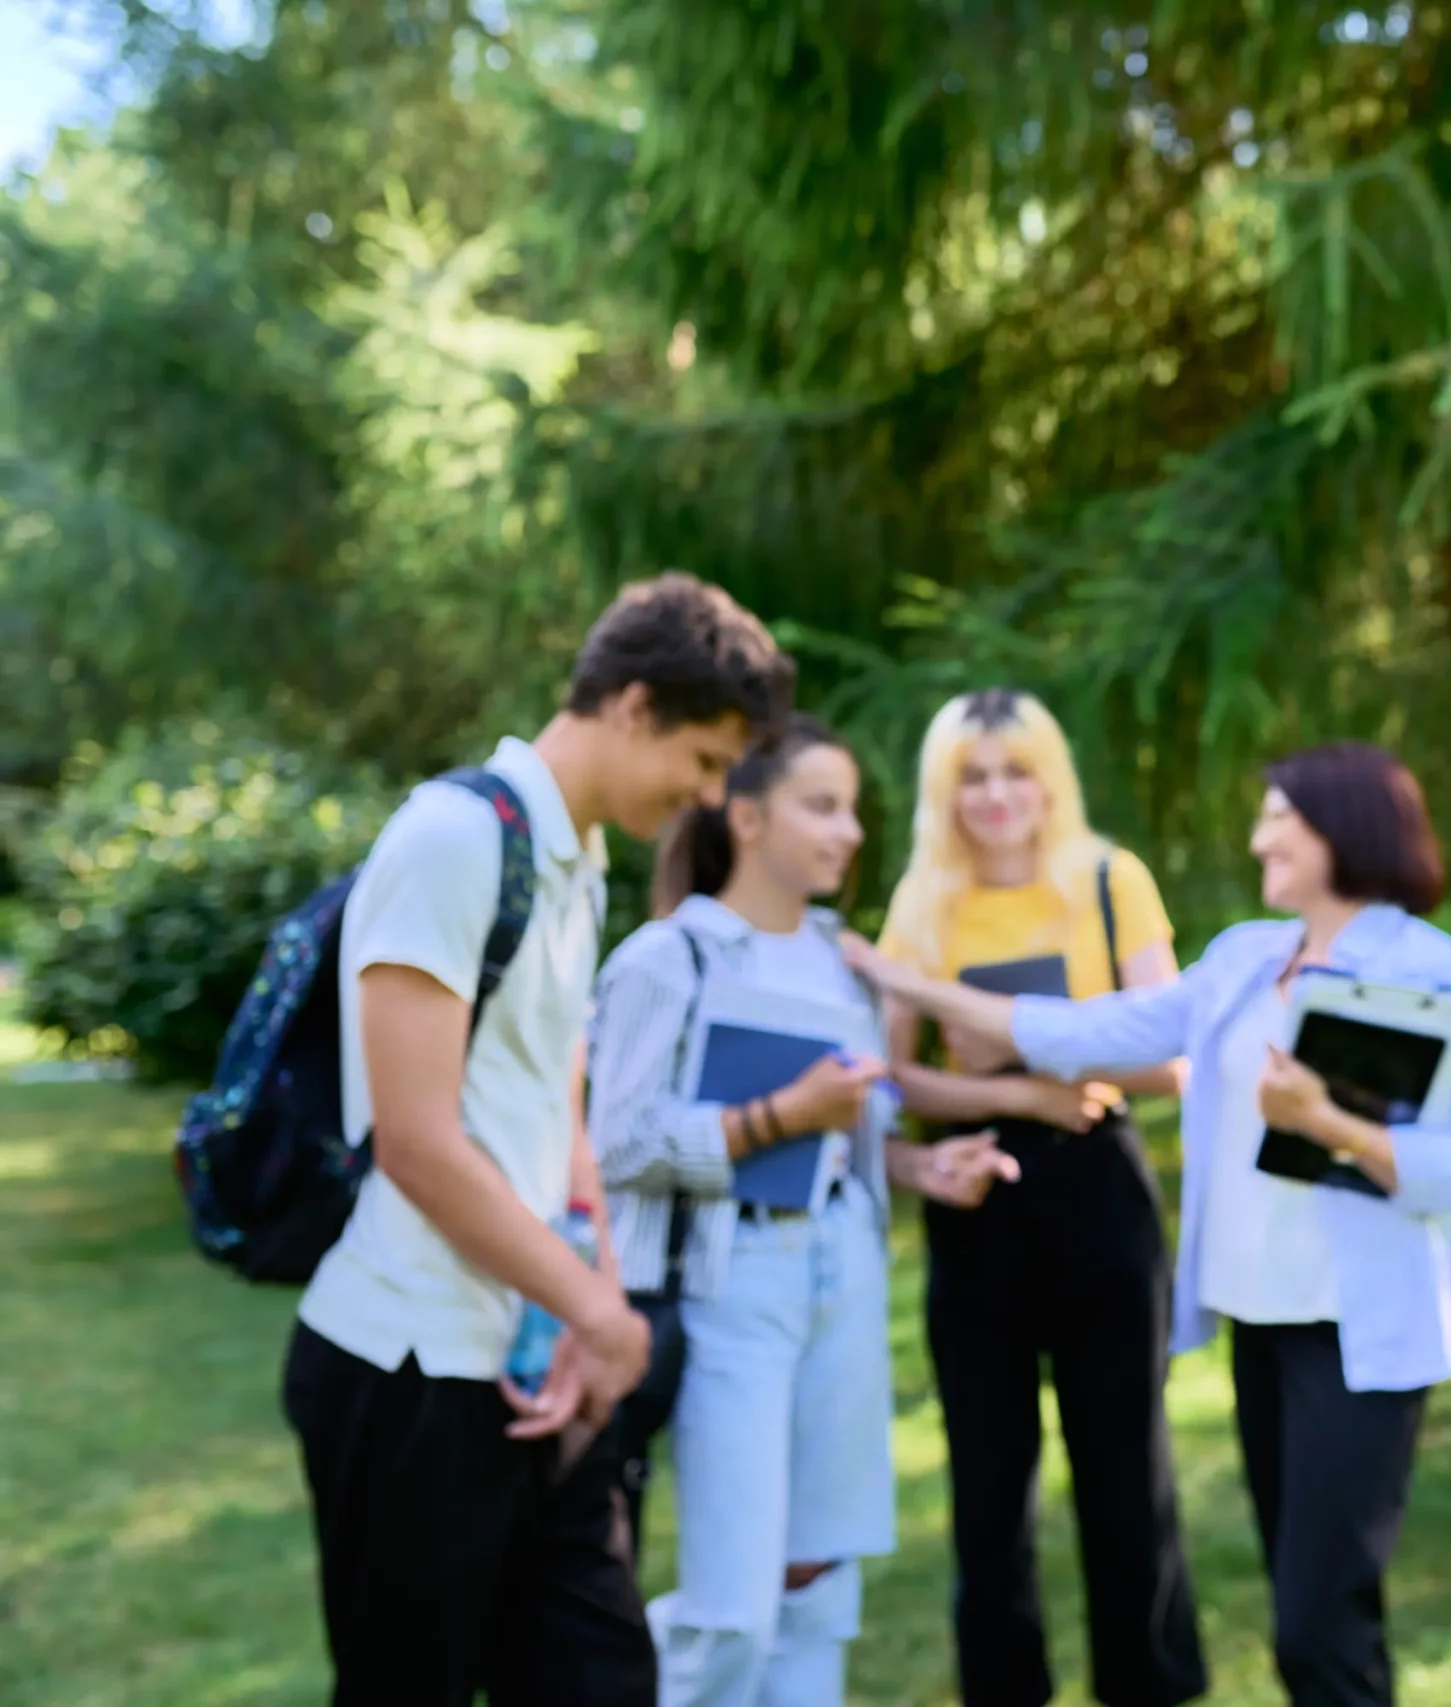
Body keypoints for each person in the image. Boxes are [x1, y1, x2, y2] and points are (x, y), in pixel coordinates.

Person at [849, 738, 1451, 1707]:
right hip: (1261, 1326)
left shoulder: (1435, 972)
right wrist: (902, 982)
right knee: (1311, 1614)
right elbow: (1081, 1032)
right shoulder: (1247, 959)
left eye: (1276, 821)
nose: (1256, 841)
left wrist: (1325, 1122)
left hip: (1359, 1336)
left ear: (1342, 829)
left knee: (1317, 1626)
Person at [284, 572, 797, 1707]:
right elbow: (415, 1142)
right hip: (406, 1370)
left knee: (602, 1679)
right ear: (631, 706)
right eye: (704, 762)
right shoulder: (452, 838)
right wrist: (597, 1310)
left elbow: (555, 1102)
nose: (708, 798)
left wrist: (587, 1303)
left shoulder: (577, 857)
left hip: (533, 1363)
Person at [587, 713, 1018, 1707]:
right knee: (734, 1606)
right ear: (744, 816)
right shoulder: (670, 960)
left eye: (854, 810)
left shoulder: (842, 958)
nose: (850, 831)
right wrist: (777, 1115)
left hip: (844, 1267)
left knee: (817, 1588)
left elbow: (840, 1140)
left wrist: (917, 1166)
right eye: (821, 806)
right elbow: (614, 1144)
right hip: (729, 1284)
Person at [867, 687, 1207, 1707]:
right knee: (987, 1485)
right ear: (943, 791)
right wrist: (1024, 1082)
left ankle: (1145, 1687)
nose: (996, 794)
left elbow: (1171, 1058)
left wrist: (1006, 1031)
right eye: (971, 777)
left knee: (1125, 1476)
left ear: (1049, 779)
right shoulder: (920, 902)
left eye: (1016, 771)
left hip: (1100, 1194)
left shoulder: (1111, 881)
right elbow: (891, 1079)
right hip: (975, 1202)